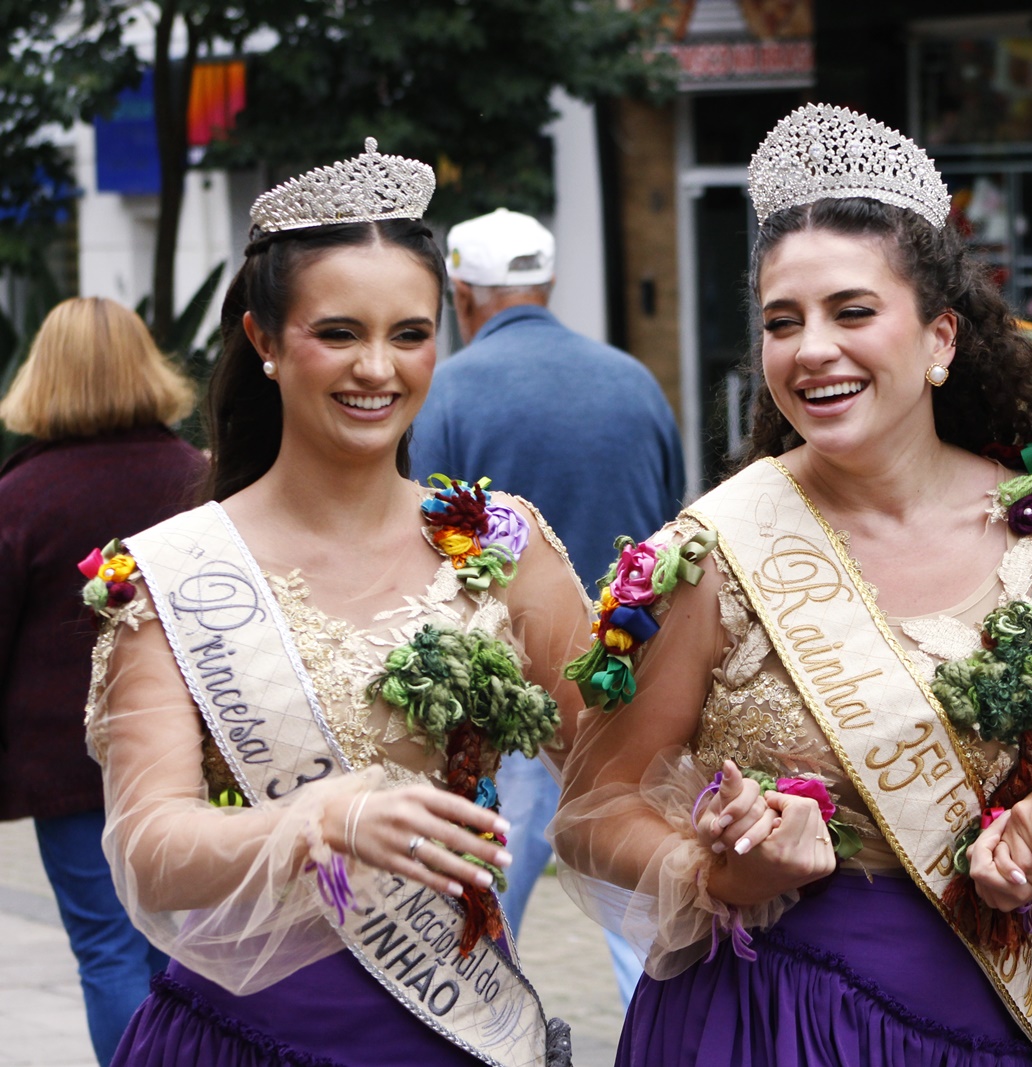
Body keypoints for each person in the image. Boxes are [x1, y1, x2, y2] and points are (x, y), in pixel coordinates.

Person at [551, 104, 1032, 1066]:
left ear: (939, 340)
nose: (812, 348)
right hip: (754, 1022)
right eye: (783, 322)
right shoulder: (711, 555)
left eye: (852, 312)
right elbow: (596, 811)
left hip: (974, 1015)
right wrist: (715, 868)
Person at [84, 139, 590, 1066]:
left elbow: (615, 770)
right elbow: (150, 848)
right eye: (340, 333)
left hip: (453, 1026)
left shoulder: (497, 546)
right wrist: (319, 821)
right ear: (265, 342)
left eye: (410, 333)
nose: (378, 369)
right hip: (240, 1038)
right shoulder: (172, 575)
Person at [411, 207, 684, 1004]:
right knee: (636, 895)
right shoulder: (633, 381)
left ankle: (481, 1022)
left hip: (506, 694)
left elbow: (422, 546)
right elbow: (671, 527)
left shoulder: (446, 392)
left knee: (488, 890)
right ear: (549, 284)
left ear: (463, 296)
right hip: (631, 677)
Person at [0, 297, 203, 1064]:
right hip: (189, 752)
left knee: (107, 950)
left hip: (67, 767)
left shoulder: (19, 496)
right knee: (180, 952)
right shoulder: (203, 480)